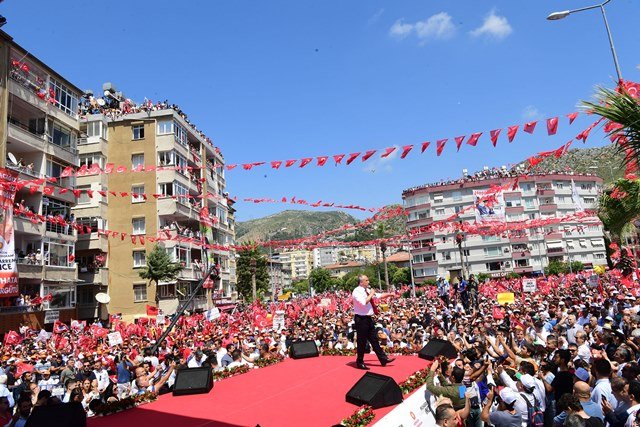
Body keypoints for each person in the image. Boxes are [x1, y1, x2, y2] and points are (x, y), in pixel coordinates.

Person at [351, 275, 395, 370]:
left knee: (374, 339)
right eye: (366, 280)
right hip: (361, 319)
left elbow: (378, 296)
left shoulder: (367, 290)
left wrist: (390, 294)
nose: (368, 281)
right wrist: (371, 294)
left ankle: (383, 359)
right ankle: (360, 362)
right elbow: (364, 302)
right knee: (362, 341)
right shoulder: (357, 291)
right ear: (361, 282)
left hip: (368, 319)